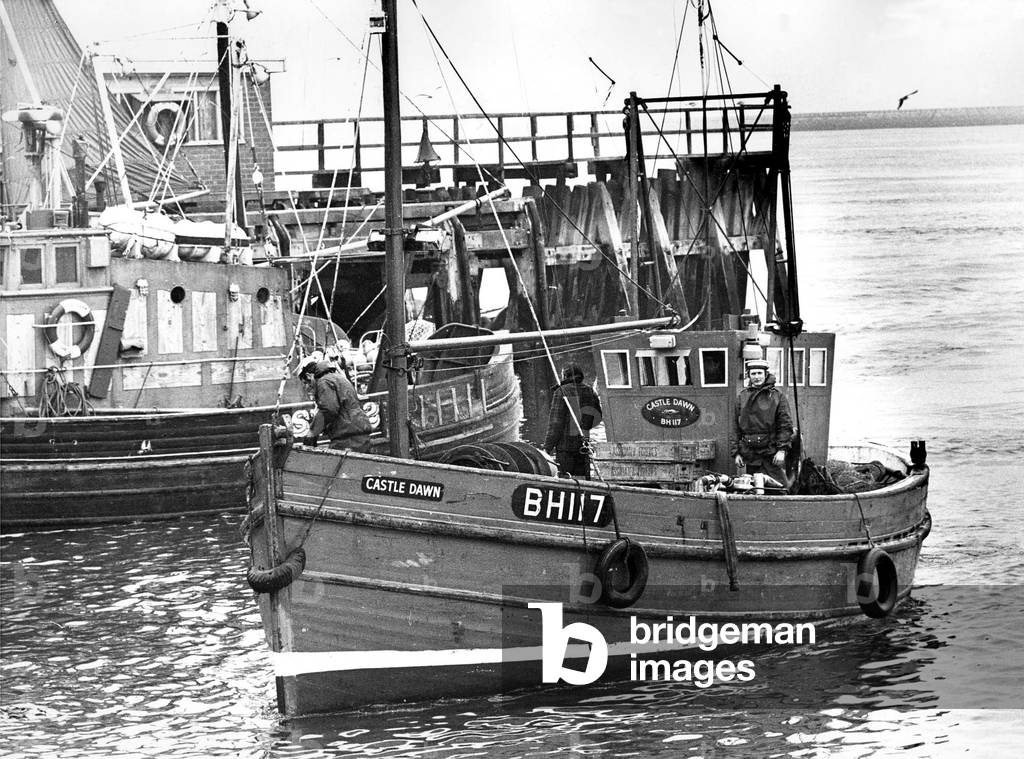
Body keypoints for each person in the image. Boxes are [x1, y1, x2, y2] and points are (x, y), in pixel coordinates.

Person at [731, 358, 794, 487]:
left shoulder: (777, 397)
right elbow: (735, 427)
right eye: (753, 374)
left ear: (765, 374)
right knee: (755, 489)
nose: (757, 377)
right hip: (751, 454)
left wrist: (782, 450)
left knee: (781, 488)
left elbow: (785, 425)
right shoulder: (742, 397)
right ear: (749, 375)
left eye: (760, 373)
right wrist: (736, 453)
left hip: (771, 453)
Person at [296, 354, 374, 452]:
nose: (307, 387)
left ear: (309, 376)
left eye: (305, 383)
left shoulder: (324, 382)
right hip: (359, 434)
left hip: (347, 438)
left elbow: (328, 410)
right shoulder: (338, 377)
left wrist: (311, 435)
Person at [543, 363, 603, 479]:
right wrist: (584, 425)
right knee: (582, 479)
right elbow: (597, 417)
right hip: (583, 444)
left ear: (565, 376)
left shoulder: (561, 391)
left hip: (565, 447)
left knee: (566, 480)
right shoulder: (590, 391)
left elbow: (556, 424)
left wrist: (547, 448)